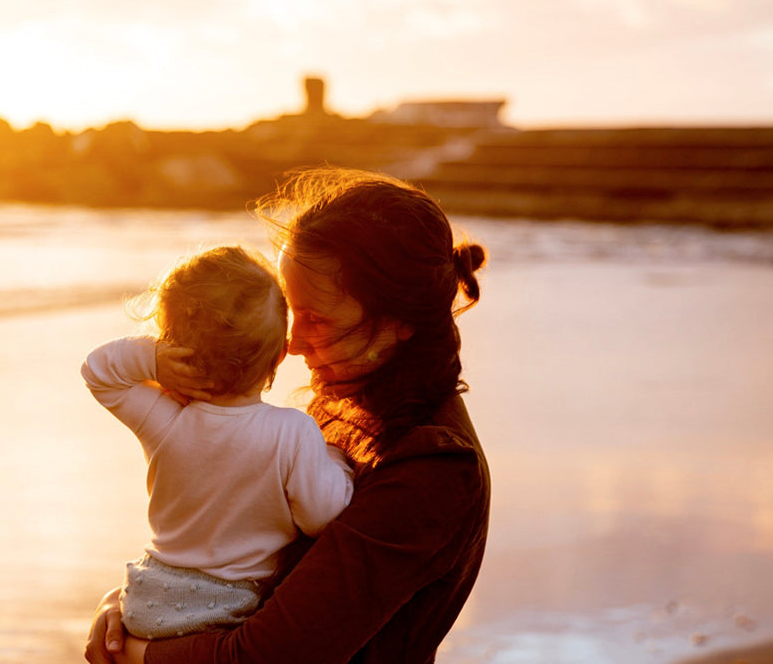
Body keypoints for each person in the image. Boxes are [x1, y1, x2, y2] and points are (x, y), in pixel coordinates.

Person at [85, 167, 491, 664]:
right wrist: (134, 602)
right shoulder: (344, 408)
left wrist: (136, 650)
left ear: (399, 321)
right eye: (291, 313)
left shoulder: (433, 467)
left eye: (316, 319)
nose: (292, 345)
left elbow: (268, 655)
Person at [81, 245, 354, 641]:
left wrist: (152, 362)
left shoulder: (165, 421)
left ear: (173, 344)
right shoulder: (294, 432)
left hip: (146, 597)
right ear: (279, 355)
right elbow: (322, 515)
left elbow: (99, 373)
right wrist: (336, 461)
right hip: (226, 608)